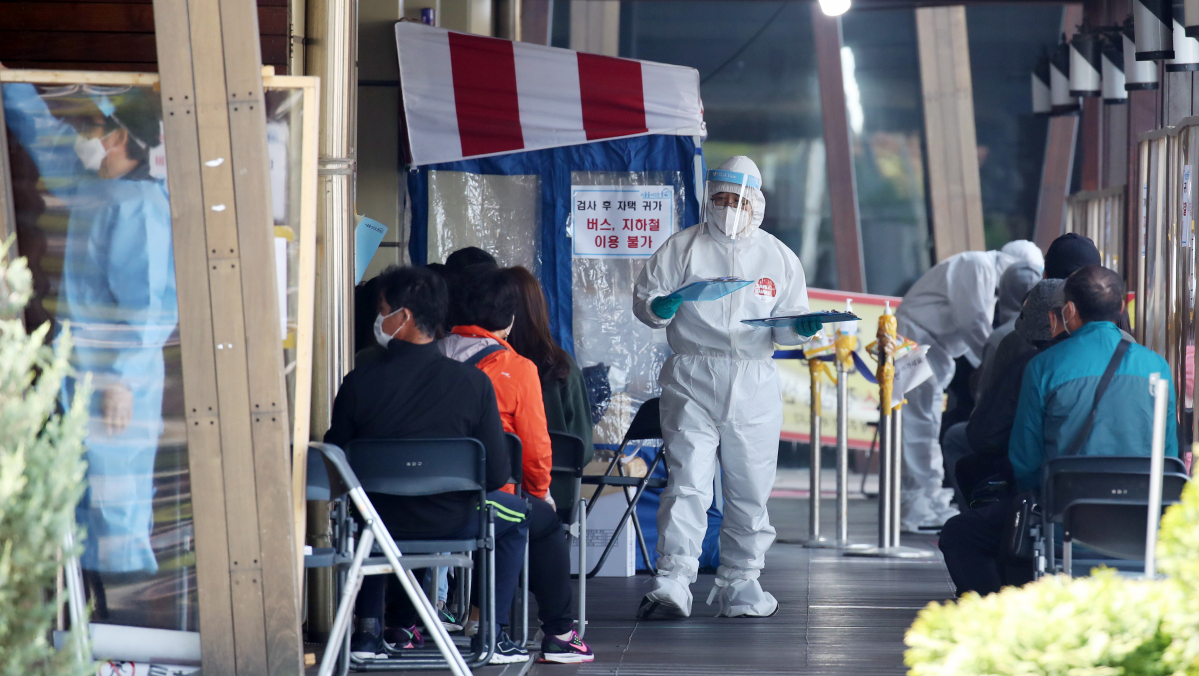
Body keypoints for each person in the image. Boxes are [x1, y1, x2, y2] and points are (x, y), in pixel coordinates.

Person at [324, 267, 552, 664]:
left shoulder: (359, 382)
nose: (379, 320)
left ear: (404, 317)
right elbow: (497, 475)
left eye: (383, 310)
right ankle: (490, 634)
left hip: (377, 525)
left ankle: (367, 630)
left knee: (369, 515)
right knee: (517, 517)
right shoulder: (472, 384)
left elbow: (336, 461)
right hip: (456, 520)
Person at [632, 156, 817, 619]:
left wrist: (804, 328)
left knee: (750, 489)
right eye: (720, 198)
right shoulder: (681, 248)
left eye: (738, 200)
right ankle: (674, 579)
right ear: (707, 198)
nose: (728, 208)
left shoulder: (778, 256)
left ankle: (741, 582)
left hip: (754, 379)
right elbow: (645, 303)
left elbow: (786, 328)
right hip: (693, 375)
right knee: (689, 481)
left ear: (755, 202)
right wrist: (665, 304)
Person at [4, 82, 176, 576]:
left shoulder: (139, 206)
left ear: (120, 136)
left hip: (119, 387)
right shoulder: (95, 185)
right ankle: (85, 637)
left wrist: (121, 379)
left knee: (117, 515)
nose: (83, 136)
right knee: (77, 510)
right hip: (81, 377)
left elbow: (149, 310)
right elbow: (43, 134)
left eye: (92, 128)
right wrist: (12, 83)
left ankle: (126, 637)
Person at [939, 266, 1177, 597]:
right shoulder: (1158, 367)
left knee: (959, 534)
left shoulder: (1044, 366)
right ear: (1121, 308)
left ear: (1069, 311)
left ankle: (1001, 618)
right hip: (1141, 526)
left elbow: (1025, 460)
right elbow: (1169, 456)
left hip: (1064, 524)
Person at [439, 265, 594, 664]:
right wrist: (540, 492)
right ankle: (556, 632)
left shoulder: (429, 357)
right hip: (484, 506)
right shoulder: (519, 368)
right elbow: (537, 450)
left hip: (400, 511)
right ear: (508, 319)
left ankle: (414, 620)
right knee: (537, 518)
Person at [894, 240, 1043, 531]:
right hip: (915, 342)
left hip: (930, 346)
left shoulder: (986, 271)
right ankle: (918, 505)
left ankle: (926, 500)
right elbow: (973, 323)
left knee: (925, 421)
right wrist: (995, 362)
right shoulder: (977, 266)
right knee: (918, 422)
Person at [943, 279, 1067, 506]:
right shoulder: (1128, 355)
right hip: (1109, 488)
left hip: (1040, 487)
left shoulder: (1030, 363)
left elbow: (984, 435)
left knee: (957, 534)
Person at [504, 266, 596, 509]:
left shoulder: (491, 367)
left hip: (498, 498)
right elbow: (583, 449)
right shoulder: (563, 366)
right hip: (558, 500)